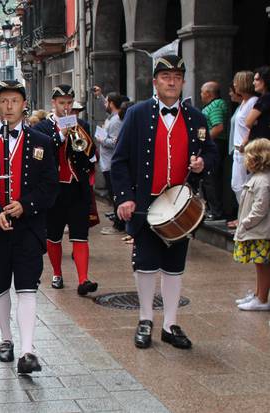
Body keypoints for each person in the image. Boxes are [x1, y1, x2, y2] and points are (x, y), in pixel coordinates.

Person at [112, 54, 217, 350]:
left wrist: (201, 164)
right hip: (146, 204)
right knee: (145, 263)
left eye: (177, 77)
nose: (171, 81)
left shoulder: (196, 118)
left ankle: (170, 323)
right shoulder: (137, 114)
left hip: (180, 207)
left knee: (174, 265)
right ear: (155, 81)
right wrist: (125, 198)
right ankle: (145, 318)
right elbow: (119, 161)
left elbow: (211, 154)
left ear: (183, 82)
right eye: (166, 77)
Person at [0, 80, 58, 376]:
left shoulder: (42, 142)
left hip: (28, 227)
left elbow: (50, 186)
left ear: (23, 104)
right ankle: (6, 338)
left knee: (28, 285)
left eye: (14, 101)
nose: (8, 106)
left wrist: (25, 205)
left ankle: (28, 350)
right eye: (3, 101)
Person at [34, 84, 99, 296]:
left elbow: (91, 158)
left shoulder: (82, 124)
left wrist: (84, 143)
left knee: (80, 235)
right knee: (53, 236)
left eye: (69, 103)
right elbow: (40, 156)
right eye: (62, 103)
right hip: (54, 191)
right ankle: (57, 273)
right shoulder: (42, 128)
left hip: (77, 188)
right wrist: (61, 135)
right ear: (53, 104)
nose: (66, 107)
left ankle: (83, 279)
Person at [233, 138, 270, 311]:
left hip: (260, 232)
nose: (245, 161)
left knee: (262, 265)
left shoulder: (262, 181)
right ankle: (258, 295)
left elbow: (259, 209)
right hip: (257, 230)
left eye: (248, 157)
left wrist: (245, 224)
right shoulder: (259, 178)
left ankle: (262, 298)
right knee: (259, 264)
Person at [93, 88, 129, 235]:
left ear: (112, 103)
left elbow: (115, 142)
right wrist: (100, 95)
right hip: (107, 162)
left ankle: (119, 224)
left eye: (106, 102)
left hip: (111, 163)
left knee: (115, 194)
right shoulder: (111, 117)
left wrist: (102, 139)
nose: (104, 104)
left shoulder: (115, 121)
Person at [229, 71, 258, 228]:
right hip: (238, 150)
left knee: (242, 186)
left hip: (244, 150)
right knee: (237, 185)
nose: (234, 85)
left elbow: (251, 126)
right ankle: (243, 216)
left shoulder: (253, 101)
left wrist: (245, 144)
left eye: (236, 82)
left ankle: (246, 218)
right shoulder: (244, 102)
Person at [200, 81, 229, 221]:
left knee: (211, 179)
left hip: (215, 145)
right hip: (209, 143)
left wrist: (205, 141)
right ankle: (211, 208)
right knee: (207, 180)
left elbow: (218, 127)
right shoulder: (209, 107)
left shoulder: (216, 106)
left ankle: (216, 211)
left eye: (202, 92)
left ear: (209, 93)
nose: (200, 95)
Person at [244, 66, 270, 146]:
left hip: (261, 143)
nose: (253, 83)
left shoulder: (265, 98)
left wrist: (255, 121)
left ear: (265, 80)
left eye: (257, 79)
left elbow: (248, 122)